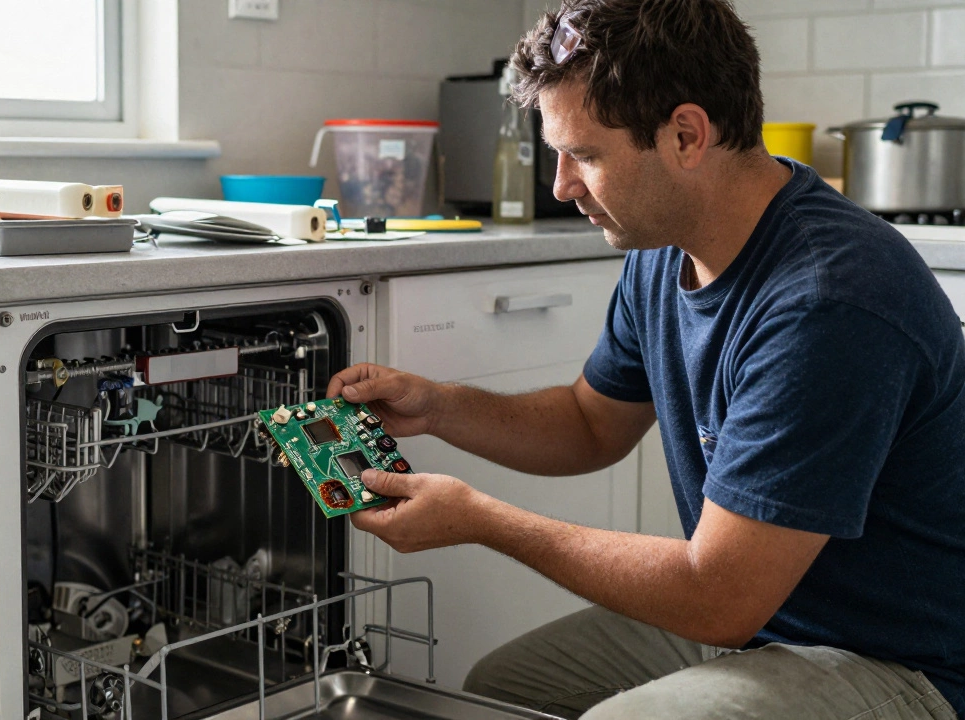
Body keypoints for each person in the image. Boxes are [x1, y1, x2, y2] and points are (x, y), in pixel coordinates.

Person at [325, 1, 965, 718]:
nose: (563, 185)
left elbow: (716, 595)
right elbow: (587, 423)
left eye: (586, 155)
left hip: (900, 661)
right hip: (765, 623)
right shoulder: (665, 249)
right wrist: (439, 406)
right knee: (504, 691)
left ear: (686, 135)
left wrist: (482, 519)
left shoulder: (828, 299)